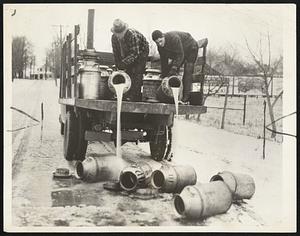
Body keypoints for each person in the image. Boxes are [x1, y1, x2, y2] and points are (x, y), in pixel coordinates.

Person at [152, 30, 199, 105]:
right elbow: (164, 61)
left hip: (191, 47)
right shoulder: (160, 47)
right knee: (169, 71)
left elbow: (180, 55)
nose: (160, 44)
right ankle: (170, 95)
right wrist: (164, 75)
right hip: (181, 51)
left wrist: (174, 68)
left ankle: (185, 98)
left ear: (163, 36)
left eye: (161, 41)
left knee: (188, 70)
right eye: (157, 43)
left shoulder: (174, 38)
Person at [111, 19, 149, 101]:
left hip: (141, 51)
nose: (118, 36)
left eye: (120, 34)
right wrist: (118, 64)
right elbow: (116, 53)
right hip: (127, 53)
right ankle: (122, 94)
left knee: (136, 72)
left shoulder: (132, 35)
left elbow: (135, 53)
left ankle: (134, 96)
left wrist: (124, 63)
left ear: (124, 31)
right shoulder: (114, 38)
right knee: (124, 72)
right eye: (117, 34)